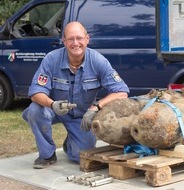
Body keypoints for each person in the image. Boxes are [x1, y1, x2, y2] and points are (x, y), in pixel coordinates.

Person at [22, 21, 129, 169]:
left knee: (80, 157)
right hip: (53, 110)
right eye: (71, 39)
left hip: (81, 116)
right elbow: (35, 93)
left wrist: (95, 108)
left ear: (87, 39)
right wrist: (52, 104)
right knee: (35, 110)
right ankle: (47, 154)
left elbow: (122, 92)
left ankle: (71, 142)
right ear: (64, 41)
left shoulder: (98, 61)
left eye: (79, 38)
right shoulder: (51, 59)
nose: (75, 43)